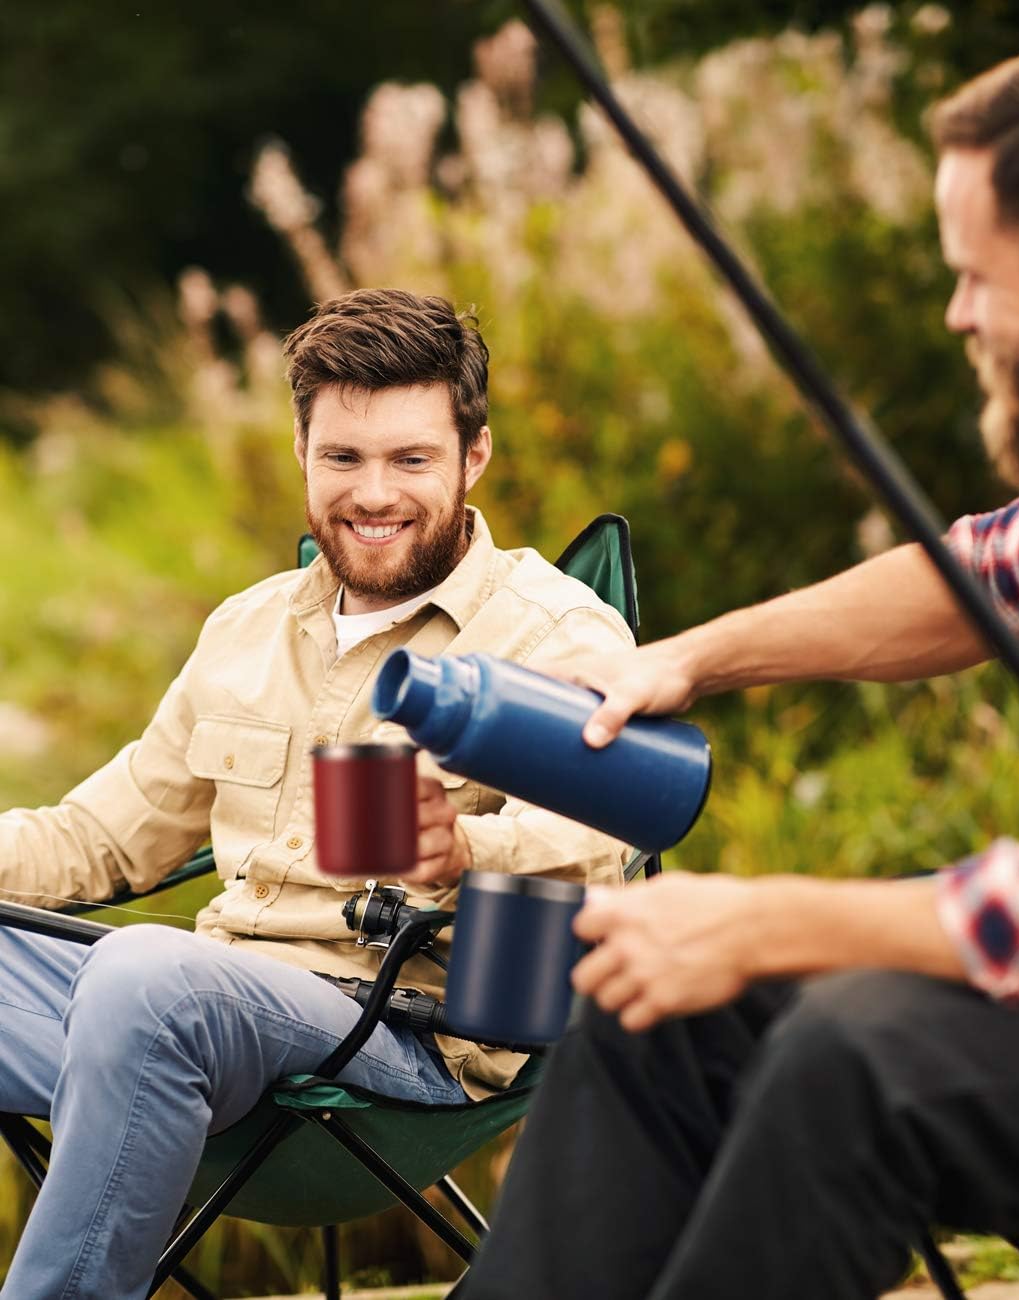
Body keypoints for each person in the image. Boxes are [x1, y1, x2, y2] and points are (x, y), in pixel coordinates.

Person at [457, 34, 1019, 1300]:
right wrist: (691, 657)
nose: (957, 313)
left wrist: (761, 918)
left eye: (973, 276)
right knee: (657, 1000)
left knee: (854, 1049)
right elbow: (975, 581)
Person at [0, 288, 634, 1299]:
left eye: (409, 459)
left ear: (474, 457)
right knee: (143, 981)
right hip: (199, 1010)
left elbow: (600, 840)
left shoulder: (553, 635)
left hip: (399, 1034)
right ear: (302, 452)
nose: (372, 493)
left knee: (144, 978)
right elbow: (99, 838)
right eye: (342, 458)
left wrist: (467, 851)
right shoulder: (245, 631)